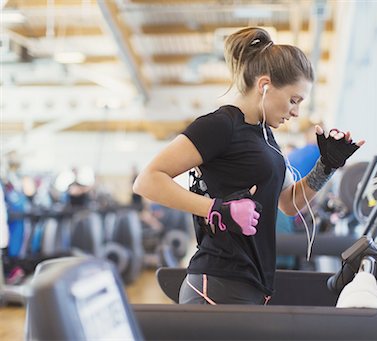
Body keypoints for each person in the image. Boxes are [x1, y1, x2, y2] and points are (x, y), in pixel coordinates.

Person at [133, 27, 364, 305]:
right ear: (265, 85)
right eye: (293, 100)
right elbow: (147, 180)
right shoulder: (221, 125)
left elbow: (288, 204)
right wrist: (216, 209)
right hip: (217, 283)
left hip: (253, 282)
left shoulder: (265, 135)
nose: (296, 112)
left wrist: (326, 166)